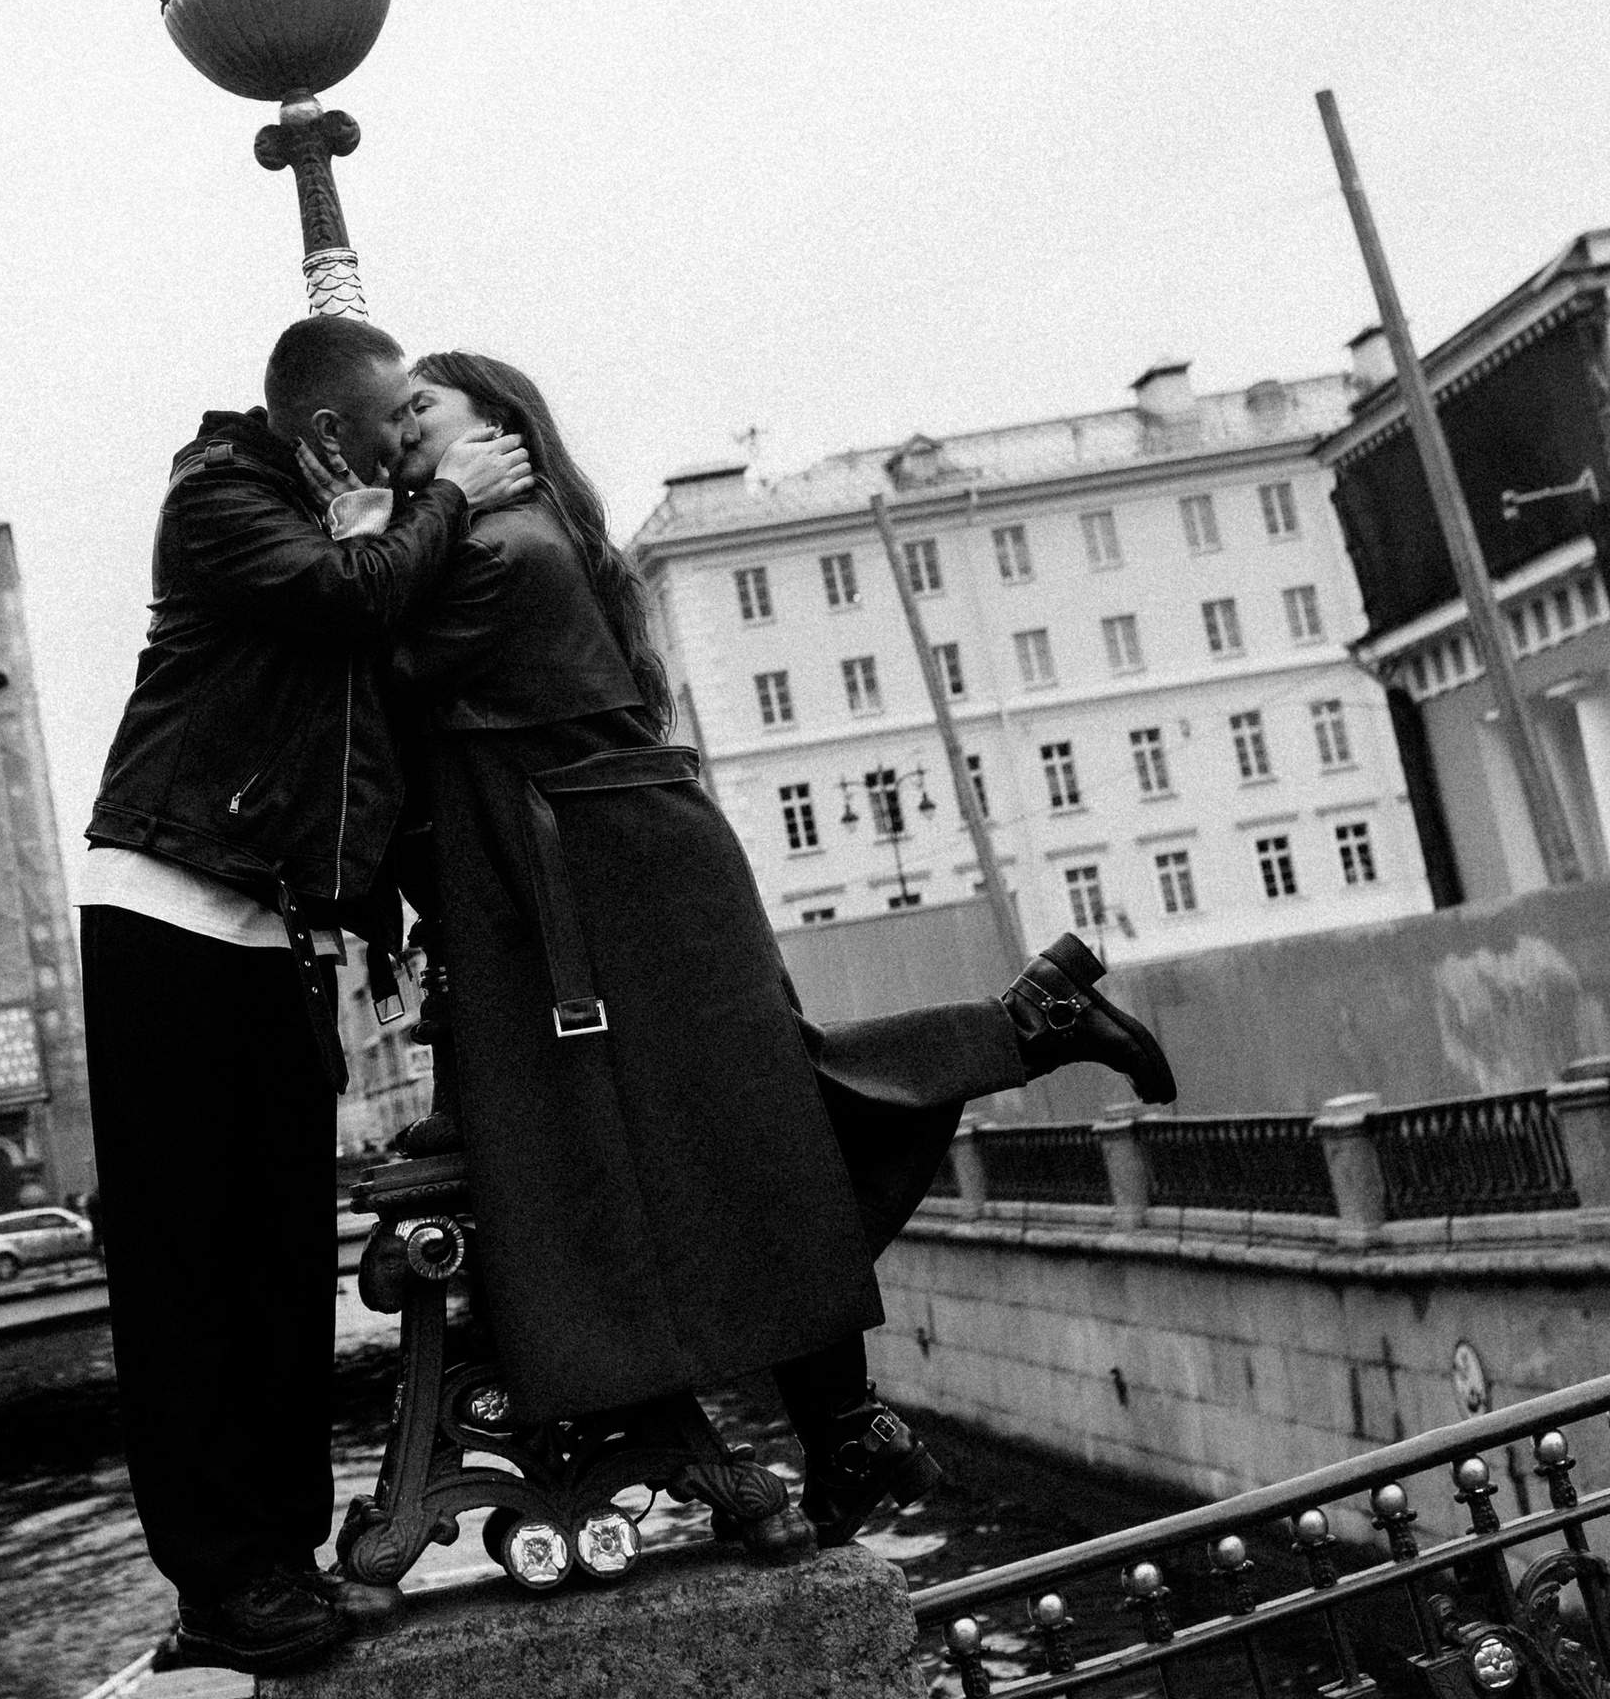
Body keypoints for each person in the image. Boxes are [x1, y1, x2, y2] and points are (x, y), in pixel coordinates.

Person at [359, 351, 1175, 1545]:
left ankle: (1023, 1036)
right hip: (619, 872)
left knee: (750, 1132)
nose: (401, 429)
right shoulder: (512, 535)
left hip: (613, 882)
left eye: (420, 406)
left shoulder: (493, 545)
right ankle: (848, 1426)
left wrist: (387, 520)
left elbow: (374, 668)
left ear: (502, 424)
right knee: (754, 1137)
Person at [79, 313, 533, 1673]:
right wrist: (458, 493)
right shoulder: (218, 501)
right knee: (186, 1266)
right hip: (162, 904)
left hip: (265, 929)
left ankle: (277, 1559)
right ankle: (219, 1586)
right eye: (398, 424)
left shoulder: (333, 518)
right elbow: (353, 602)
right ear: (331, 433)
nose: (412, 445)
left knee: (280, 1259)